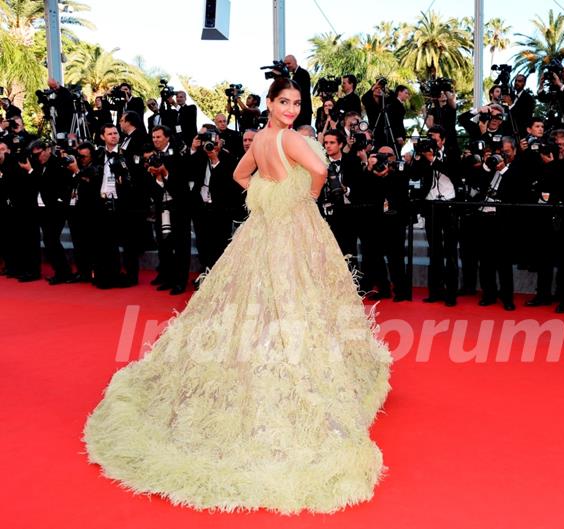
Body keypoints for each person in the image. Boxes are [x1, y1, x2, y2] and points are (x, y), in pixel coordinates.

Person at [83, 78, 391, 514]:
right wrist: (304, 198)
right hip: (295, 228)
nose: (291, 108)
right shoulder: (286, 139)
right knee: (297, 296)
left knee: (259, 299)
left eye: (296, 103)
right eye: (284, 101)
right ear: (269, 103)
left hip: (262, 229)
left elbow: (239, 174)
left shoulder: (262, 139)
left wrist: (267, 194)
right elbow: (320, 172)